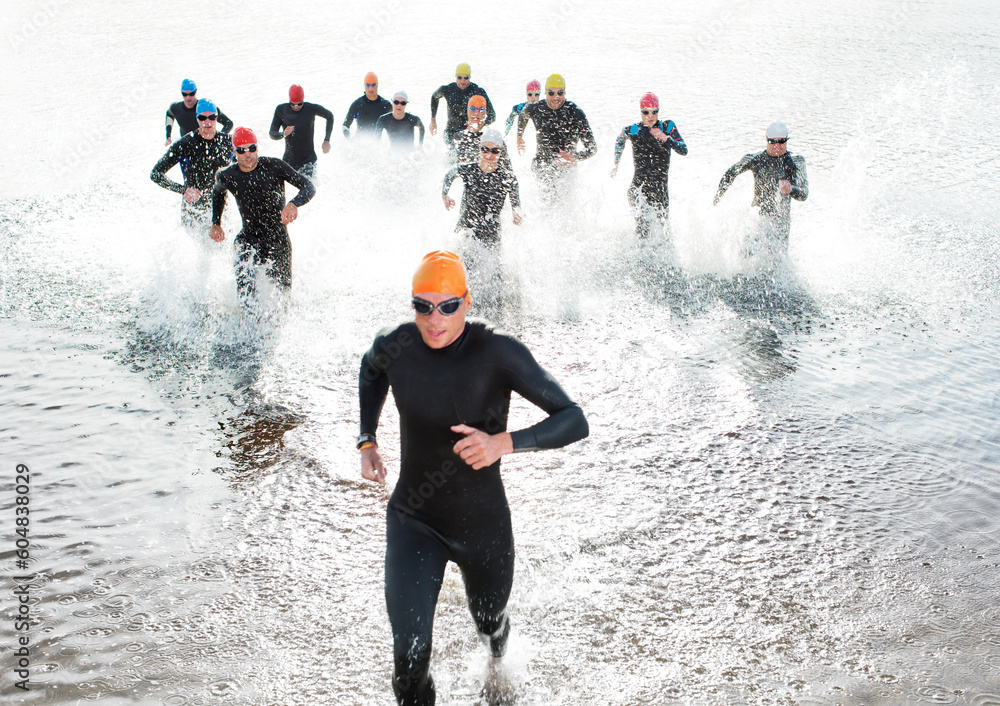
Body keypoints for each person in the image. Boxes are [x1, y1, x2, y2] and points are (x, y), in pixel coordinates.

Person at [358, 250, 588, 706]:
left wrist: (502, 443)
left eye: (447, 306)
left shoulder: (497, 352)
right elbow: (370, 372)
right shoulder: (396, 344)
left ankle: (498, 664)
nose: (434, 318)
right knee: (409, 658)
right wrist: (367, 439)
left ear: (467, 301)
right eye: (422, 306)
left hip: (482, 525)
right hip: (413, 521)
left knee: (490, 624)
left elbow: (573, 419)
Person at [209, 127, 316, 304]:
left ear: (257, 148)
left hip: (278, 239)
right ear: (234, 152)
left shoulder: (274, 166)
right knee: (246, 291)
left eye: (252, 148)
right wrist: (216, 223)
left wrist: (293, 204)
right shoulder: (226, 175)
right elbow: (218, 193)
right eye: (241, 150)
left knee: (282, 298)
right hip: (248, 238)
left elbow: (308, 186)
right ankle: (246, 325)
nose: (248, 154)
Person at [713, 121, 809, 250]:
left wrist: (791, 189)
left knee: (776, 262)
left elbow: (804, 193)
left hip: (781, 223)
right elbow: (730, 173)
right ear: (766, 140)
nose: (777, 145)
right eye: (772, 141)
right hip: (757, 218)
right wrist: (718, 197)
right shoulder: (755, 159)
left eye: (781, 141)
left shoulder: (796, 161)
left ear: (787, 140)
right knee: (747, 255)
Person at [611, 92, 688, 237]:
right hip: (638, 189)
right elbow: (620, 139)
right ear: (640, 112)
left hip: (660, 190)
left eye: (654, 112)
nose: (650, 116)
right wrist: (616, 163)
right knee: (643, 231)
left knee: (664, 233)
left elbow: (683, 149)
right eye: (646, 112)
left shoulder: (667, 127)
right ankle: (636, 257)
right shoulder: (634, 129)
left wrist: (666, 139)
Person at [150, 98, 234, 232]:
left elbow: (244, 170)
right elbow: (155, 174)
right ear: (197, 118)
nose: (207, 122)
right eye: (202, 118)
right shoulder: (185, 144)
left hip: (221, 208)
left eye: (211, 117)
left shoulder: (228, 142)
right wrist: (183, 190)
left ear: (217, 118)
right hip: (193, 209)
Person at [516, 74, 597, 202]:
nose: (556, 97)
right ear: (545, 92)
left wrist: (574, 157)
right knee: (547, 202)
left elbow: (592, 148)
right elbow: (523, 115)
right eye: (551, 93)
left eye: (560, 92)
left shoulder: (575, 113)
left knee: (564, 204)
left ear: (565, 92)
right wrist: (519, 136)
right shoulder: (536, 108)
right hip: (542, 164)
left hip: (566, 168)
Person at [442, 128, 522, 246]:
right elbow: (450, 174)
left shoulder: (507, 177)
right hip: (466, 227)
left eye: (495, 151)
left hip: (491, 231)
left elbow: (516, 201)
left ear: (501, 151)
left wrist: (516, 212)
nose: (489, 155)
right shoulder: (469, 169)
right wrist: (444, 195)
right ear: (480, 149)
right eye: (485, 150)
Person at [163, 79, 233, 178]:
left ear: (196, 92)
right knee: (190, 180)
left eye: (191, 94)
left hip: (207, 147)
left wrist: (218, 139)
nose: (188, 97)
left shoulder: (205, 109)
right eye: (185, 94)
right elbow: (169, 115)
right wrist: (168, 136)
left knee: (213, 177)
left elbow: (228, 123)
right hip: (188, 149)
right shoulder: (176, 107)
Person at [429, 63, 496, 158]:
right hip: (451, 132)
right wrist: (433, 120)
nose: (462, 81)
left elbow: (492, 116)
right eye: (459, 77)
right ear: (455, 76)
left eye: (466, 78)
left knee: (470, 160)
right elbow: (434, 97)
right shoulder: (447, 89)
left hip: (471, 134)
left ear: (470, 77)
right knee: (452, 158)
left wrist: (479, 124)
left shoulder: (477, 91)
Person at [268, 84, 334, 180]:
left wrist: (327, 140)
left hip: (308, 160)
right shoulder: (281, 110)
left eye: (299, 104)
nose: (296, 107)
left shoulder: (311, 109)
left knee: (308, 190)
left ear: (303, 100)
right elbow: (272, 133)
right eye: (293, 104)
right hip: (289, 161)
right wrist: (283, 134)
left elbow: (330, 116)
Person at [453, 96, 512, 168]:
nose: (476, 113)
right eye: (472, 109)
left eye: (481, 109)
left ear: (485, 112)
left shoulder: (493, 138)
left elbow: (507, 169)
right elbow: (451, 165)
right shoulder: (458, 137)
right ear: (467, 110)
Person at [343, 72, 393, 139]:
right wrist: (349, 139)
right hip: (359, 143)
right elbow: (345, 125)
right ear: (364, 85)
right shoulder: (357, 104)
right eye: (368, 85)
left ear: (377, 85)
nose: (371, 88)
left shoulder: (386, 105)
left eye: (373, 85)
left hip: (377, 145)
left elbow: (394, 127)